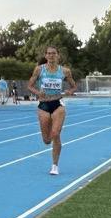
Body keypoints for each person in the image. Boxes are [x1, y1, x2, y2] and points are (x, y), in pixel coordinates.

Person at [26, 46, 77, 176]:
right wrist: (38, 93)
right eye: (49, 53)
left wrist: (69, 91)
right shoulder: (39, 69)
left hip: (58, 103)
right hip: (43, 105)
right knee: (47, 140)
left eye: (54, 53)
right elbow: (29, 86)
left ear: (58, 55)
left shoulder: (65, 71)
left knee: (56, 133)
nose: (51, 56)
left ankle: (55, 166)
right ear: (45, 55)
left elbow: (74, 86)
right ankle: (49, 142)